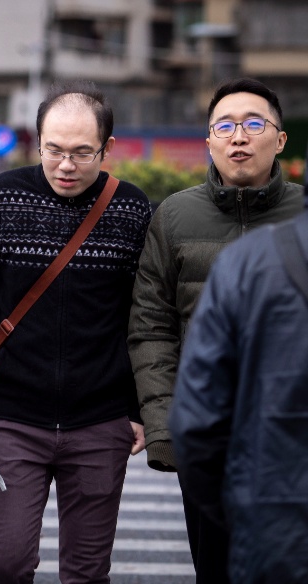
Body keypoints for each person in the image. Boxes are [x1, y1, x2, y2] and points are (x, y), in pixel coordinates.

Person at [0, 80, 152, 583]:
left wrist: (137, 409)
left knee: (86, 572)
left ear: (107, 149)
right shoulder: (1, 198)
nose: (65, 165)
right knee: (6, 563)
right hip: (12, 417)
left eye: (82, 153)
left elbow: (143, 319)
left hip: (100, 421)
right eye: (54, 150)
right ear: (37, 142)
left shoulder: (131, 209)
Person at [128, 77, 303, 582]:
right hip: (211, 436)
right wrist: (167, 430)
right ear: (208, 140)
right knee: (218, 568)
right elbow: (150, 327)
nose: (238, 137)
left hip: (294, 434)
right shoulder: (174, 216)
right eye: (224, 126)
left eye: (254, 124)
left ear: (281, 139)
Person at [169, 173, 308, 582]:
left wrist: (240, 509)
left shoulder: (248, 261)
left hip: (276, 523)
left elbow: (196, 425)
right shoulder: (181, 216)